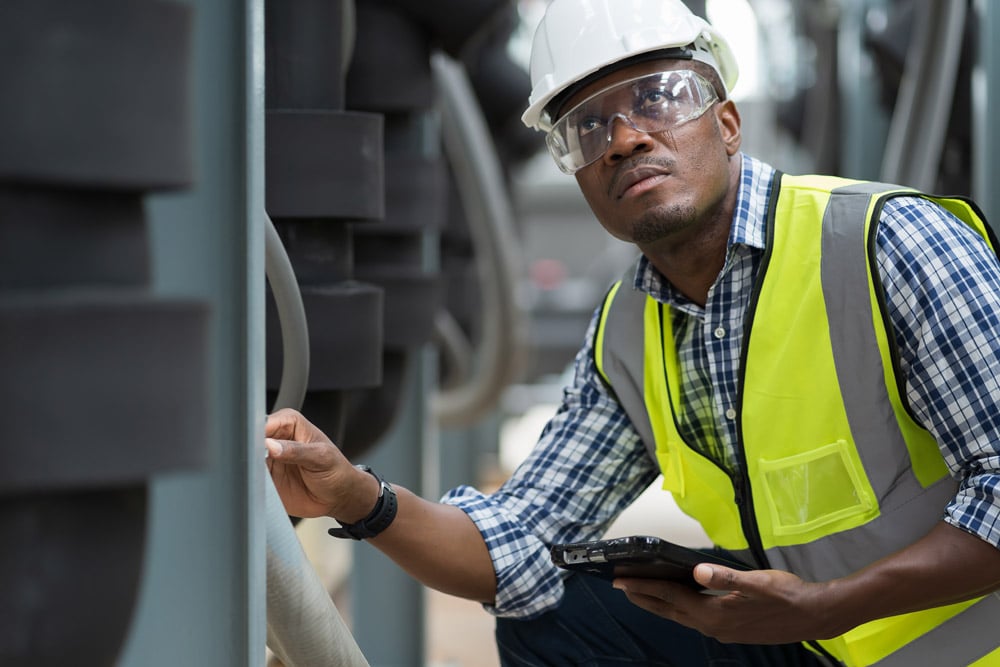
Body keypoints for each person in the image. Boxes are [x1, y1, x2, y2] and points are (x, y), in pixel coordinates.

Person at [265, 0, 1000, 664]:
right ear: (576, 171)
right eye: (587, 125)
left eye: (659, 97)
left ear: (728, 120)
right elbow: (516, 540)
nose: (621, 138)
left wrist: (829, 603)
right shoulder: (629, 332)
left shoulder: (889, 241)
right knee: (557, 611)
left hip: (957, 646)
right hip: (812, 635)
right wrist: (358, 494)